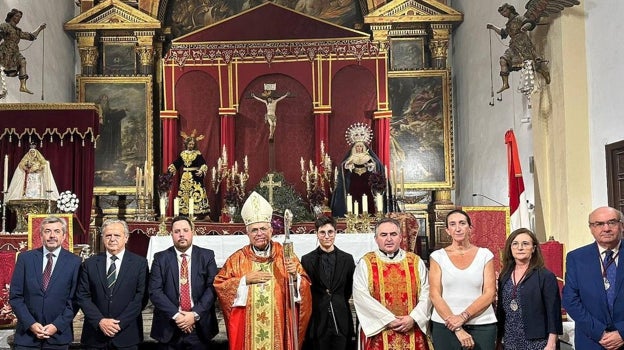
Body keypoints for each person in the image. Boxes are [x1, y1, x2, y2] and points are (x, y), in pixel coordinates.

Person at [214, 191, 312, 350]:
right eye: (254, 230)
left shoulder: (285, 255)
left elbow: (305, 285)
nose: (259, 234)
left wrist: (295, 278)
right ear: (247, 233)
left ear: (271, 230)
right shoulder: (237, 259)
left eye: (263, 229)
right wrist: (243, 281)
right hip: (248, 331)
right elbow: (220, 285)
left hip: (279, 327)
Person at [353, 217, 431, 350]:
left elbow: (427, 293)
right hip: (380, 329)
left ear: (400, 237)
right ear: (376, 239)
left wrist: (413, 317)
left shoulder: (415, 262)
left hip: (412, 327)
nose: (389, 239)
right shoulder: (366, 263)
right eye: (383, 235)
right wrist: (388, 319)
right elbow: (361, 296)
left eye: (393, 234)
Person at [9, 216, 81, 349]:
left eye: (57, 231)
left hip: (58, 336)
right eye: (47, 231)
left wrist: (56, 326)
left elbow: (75, 300)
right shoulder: (25, 259)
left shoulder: (75, 262)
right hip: (27, 336)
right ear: (41, 235)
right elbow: (15, 296)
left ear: (64, 236)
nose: (52, 235)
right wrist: (31, 324)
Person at [429, 209, 497, 350]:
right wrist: (456, 326)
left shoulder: (485, 255)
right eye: (452, 224)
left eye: (462, 223)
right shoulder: (438, 256)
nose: (458, 228)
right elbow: (435, 295)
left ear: (470, 228)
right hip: (445, 325)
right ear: (447, 230)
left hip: (481, 324)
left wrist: (463, 317)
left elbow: (489, 293)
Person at [76, 219, 149, 350]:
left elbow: (140, 298)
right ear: (103, 238)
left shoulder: (140, 264)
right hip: (95, 335)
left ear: (126, 238)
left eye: (117, 235)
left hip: (127, 335)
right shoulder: (90, 264)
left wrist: (119, 324)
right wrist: (100, 321)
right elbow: (83, 296)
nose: (112, 239)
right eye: (108, 235)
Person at [149, 216, 219, 349]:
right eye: (177, 231)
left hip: (199, 327)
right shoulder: (160, 258)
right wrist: (177, 316)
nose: (181, 234)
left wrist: (194, 314)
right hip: (169, 326)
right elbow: (155, 291)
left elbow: (212, 288)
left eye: (185, 230)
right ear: (171, 235)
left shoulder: (207, 256)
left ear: (193, 232)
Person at [562, 206, 624, 350]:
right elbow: (570, 300)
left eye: (612, 222)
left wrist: (622, 332)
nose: (606, 228)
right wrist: (599, 332)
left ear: (621, 225)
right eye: (599, 224)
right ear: (591, 228)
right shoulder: (576, 258)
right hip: (592, 341)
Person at [496, 228, 562, 350]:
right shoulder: (504, 275)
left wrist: (552, 343)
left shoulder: (545, 276)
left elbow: (553, 312)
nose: (520, 248)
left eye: (525, 244)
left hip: (538, 341)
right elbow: (501, 310)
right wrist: (499, 339)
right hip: (510, 340)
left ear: (534, 248)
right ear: (510, 248)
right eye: (515, 244)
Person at [301, 215, 355, 350]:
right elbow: (306, 289)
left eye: (330, 232)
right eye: (322, 232)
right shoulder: (307, 260)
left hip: (341, 318)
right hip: (318, 319)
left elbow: (349, 289)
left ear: (335, 233)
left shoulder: (347, 259)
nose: (326, 236)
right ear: (316, 234)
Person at [486, 3, 550, 93]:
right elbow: (503, 33)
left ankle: (544, 72)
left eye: (504, 11)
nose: (504, 14)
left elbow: (529, 23)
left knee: (530, 64)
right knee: (503, 60)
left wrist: (525, 27)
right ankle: (505, 84)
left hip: (523, 43)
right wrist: (492, 27)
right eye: (502, 13)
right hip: (513, 45)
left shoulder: (518, 18)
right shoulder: (508, 23)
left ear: (510, 9)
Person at [331, 123, 384, 217]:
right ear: (354, 148)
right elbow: (344, 167)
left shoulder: (368, 157)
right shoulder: (351, 157)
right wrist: (348, 166)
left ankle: (369, 216)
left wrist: (371, 166)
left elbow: (376, 167)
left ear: (364, 147)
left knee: (368, 200)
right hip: (354, 182)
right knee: (353, 200)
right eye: (357, 147)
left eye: (361, 147)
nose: (359, 148)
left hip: (366, 182)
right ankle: (353, 217)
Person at [0, 9, 45, 94]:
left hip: (14, 52)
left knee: (23, 61)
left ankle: (23, 86)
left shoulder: (18, 31)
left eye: (20, 17)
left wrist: (40, 28)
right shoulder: (5, 26)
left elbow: (30, 36)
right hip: (4, 51)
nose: (18, 18)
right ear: (11, 16)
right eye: (17, 16)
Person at [167, 130, 210, 218]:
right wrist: (172, 168)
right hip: (185, 177)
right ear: (186, 144)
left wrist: (201, 170)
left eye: (192, 144)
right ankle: (184, 212)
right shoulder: (183, 154)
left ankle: (199, 213)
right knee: (184, 194)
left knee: (196, 193)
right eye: (189, 144)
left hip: (195, 177)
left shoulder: (197, 154)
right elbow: (177, 163)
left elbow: (203, 163)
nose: (191, 145)